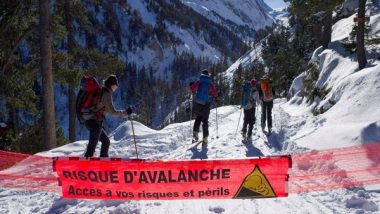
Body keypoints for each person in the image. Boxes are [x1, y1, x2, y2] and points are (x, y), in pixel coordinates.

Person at [84, 75, 132, 157]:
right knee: (92, 146)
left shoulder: (102, 91)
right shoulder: (106, 93)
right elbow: (112, 111)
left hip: (91, 121)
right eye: (116, 85)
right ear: (112, 85)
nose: (116, 88)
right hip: (94, 122)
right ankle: (86, 164)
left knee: (105, 141)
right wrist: (125, 112)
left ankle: (103, 162)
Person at [189, 69, 218, 145]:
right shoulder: (210, 82)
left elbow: (192, 88)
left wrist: (191, 85)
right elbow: (215, 92)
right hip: (206, 104)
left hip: (198, 103)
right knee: (205, 121)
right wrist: (216, 96)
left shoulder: (199, 81)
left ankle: (195, 133)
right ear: (208, 75)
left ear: (202, 74)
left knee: (198, 118)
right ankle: (205, 138)